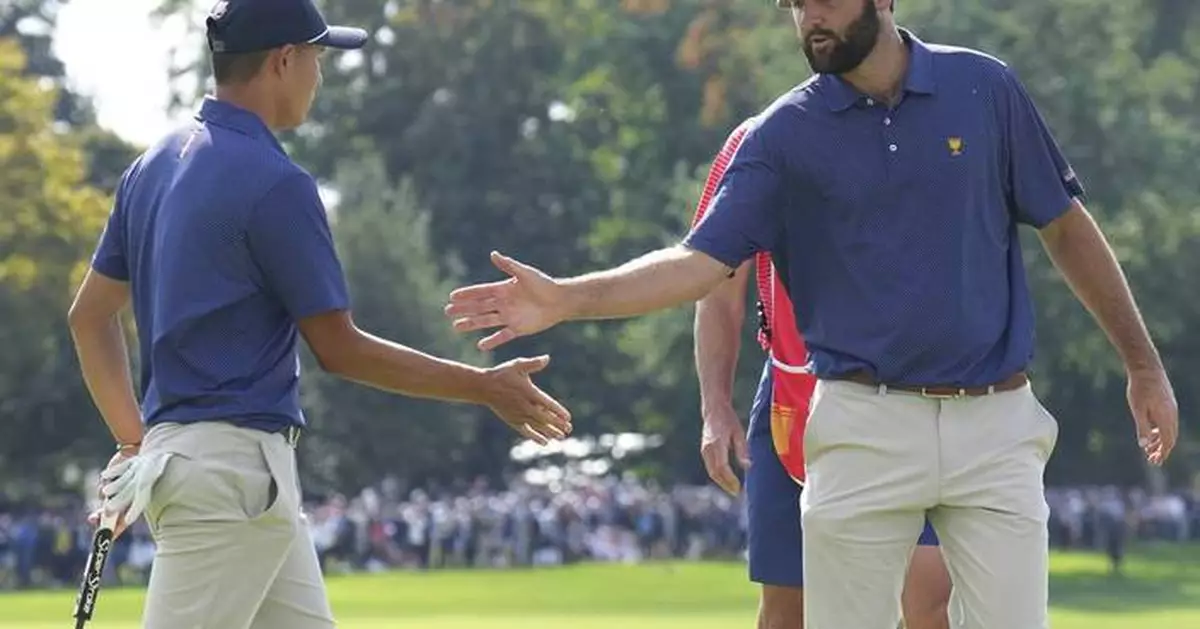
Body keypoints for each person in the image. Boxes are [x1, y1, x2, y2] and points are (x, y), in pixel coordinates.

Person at [443, 1, 1179, 628]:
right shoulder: (779, 136)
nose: (810, 17)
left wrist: (1142, 364)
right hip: (861, 425)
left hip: (997, 421)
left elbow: (1067, 227)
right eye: (796, 2)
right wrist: (570, 296)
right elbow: (701, 266)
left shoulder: (984, 89)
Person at [65, 0, 570, 627]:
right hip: (234, 478)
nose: (320, 76)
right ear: (283, 60)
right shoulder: (278, 182)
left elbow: (89, 319)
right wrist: (483, 386)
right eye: (317, 58)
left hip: (223, 474)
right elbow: (340, 349)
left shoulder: (150, 167)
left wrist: (135, 440)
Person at [693, 120, 951, 629]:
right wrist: (715, 406)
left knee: (927, 601)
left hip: (910, 394)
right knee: (788, 611)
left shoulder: (923, 130)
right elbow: (716, 285)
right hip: (793, 398)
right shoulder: (755, 141)